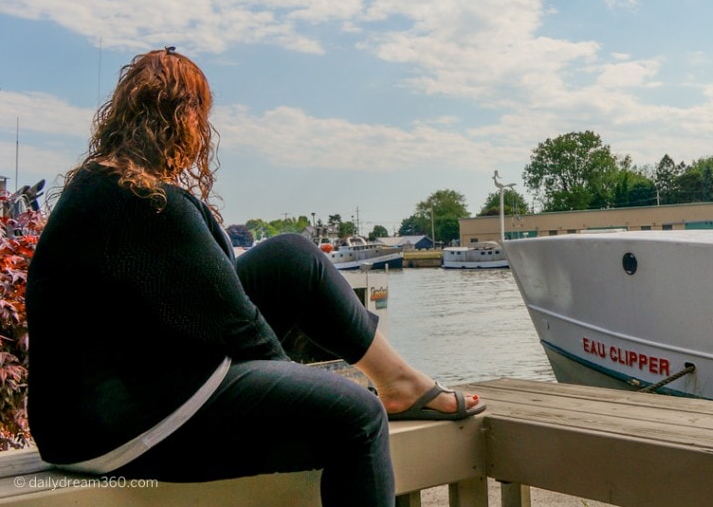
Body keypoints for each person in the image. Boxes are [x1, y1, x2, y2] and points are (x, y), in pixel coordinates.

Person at [26, 48, 484, 506]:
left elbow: (213, 304)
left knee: (292, 256)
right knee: (358, 414)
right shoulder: (148, 203)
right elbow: (243, 332)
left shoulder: (104, 187)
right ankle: (390, 392)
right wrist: (301, 392)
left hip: (113, 406)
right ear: (185, 120)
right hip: (121, 431)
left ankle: (400, 381)